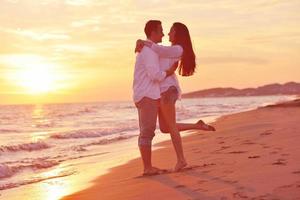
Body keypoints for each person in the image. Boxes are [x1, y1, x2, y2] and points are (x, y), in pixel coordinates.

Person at [135, 22, 215, 172]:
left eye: (171, 31)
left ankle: (181, 160)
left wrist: (143, 42)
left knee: (170, 126)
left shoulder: (178, 49)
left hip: (167, 90)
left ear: (178, 34)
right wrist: (141, 42)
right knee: (165, 128)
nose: (167, 34)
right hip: (161, 91)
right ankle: (198, 125)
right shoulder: (169, 49)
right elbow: (157, 51)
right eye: (166, 31)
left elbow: (157, 49)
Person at [133, 20, 178, 176]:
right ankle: (147, 168)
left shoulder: (150, 49)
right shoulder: (149, 52)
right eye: (160, 31)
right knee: (147, 132)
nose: (163, 34)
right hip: (146, 95)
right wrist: (169, 72)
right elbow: (154, 75)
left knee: (148, 131)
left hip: (148, 94)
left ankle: (148, 166)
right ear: (152, 32)